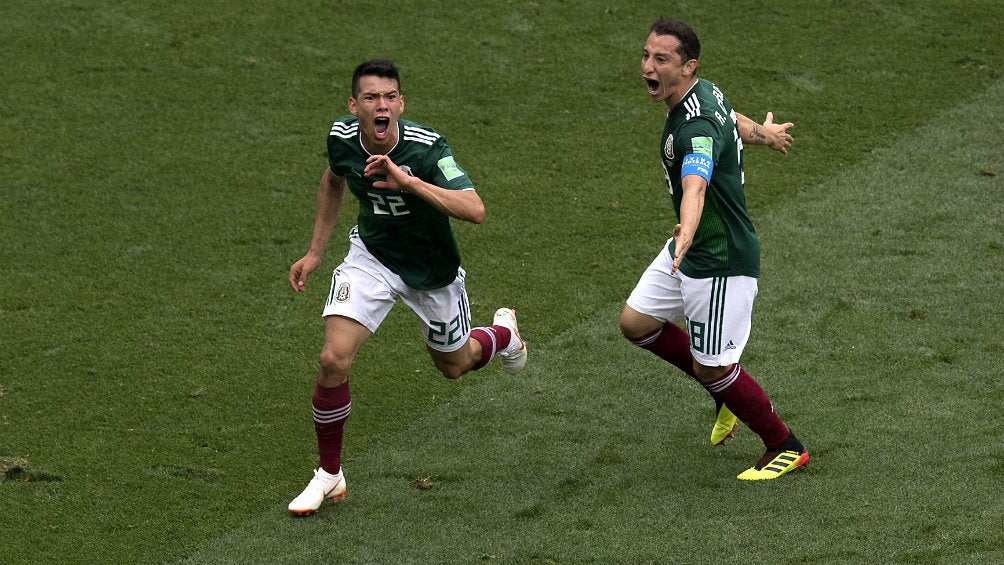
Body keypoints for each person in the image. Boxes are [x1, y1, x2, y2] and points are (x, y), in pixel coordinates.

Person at [286, 58, 528, 515]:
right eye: (372, 98)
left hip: (432, 271)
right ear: (354, 105)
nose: (382, 106)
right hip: (372, 258)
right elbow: (333, 179)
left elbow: (475, 209)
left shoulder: (427, 149)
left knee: (455, 366)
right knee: (332, 357)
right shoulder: (341, 138)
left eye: (390, 97)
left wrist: (408, 181)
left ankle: (502, 334)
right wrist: (317, 250)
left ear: (401, 103)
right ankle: (329, 474)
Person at [618, 18, 808, 480]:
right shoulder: (705, 93)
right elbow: (731, 119)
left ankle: (784, 445)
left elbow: (695, 183)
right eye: (646, 55)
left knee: (714, 367)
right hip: (690, 247)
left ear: (688, 66)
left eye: (661, 60)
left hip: (718, 258)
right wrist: (766, 136)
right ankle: (724, 391)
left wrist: (684, 229)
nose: (648, 66)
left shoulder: (694, 127)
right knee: (636, 323)